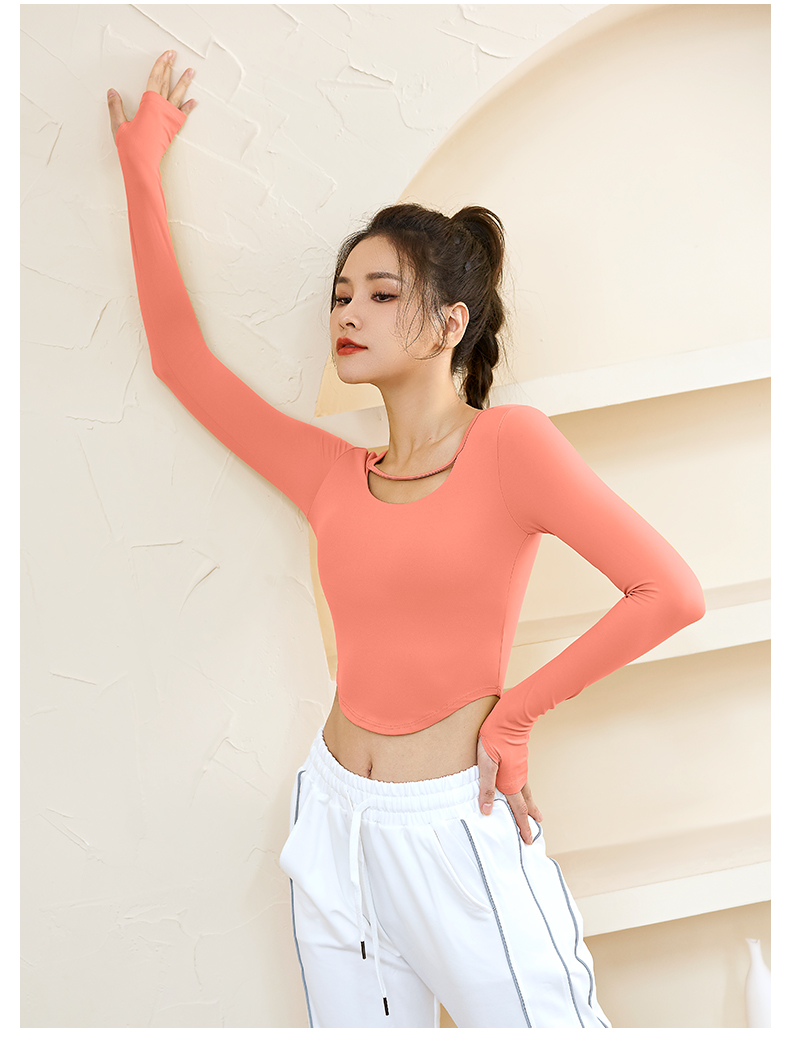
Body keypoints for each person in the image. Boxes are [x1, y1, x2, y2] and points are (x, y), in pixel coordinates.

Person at [107, 52, 706, 1029]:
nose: (348, 311)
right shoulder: (330, 472)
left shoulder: (511, 447)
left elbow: (669, 591)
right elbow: (181, 361)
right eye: (342, 293)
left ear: (448, 323)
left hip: (458, 827)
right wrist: (142, 165)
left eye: (381, 294)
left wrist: (513, 720)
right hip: (334, 819)